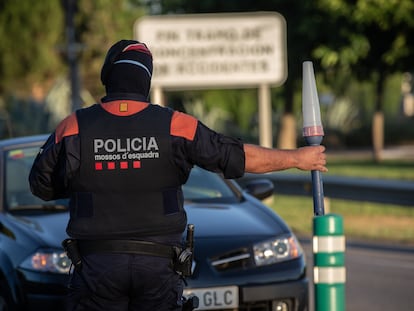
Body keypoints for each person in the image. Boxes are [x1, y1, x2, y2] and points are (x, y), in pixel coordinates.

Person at [29, 39, 327, 311]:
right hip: (159, 267)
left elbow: (40, 184)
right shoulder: (176, 125)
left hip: (96, 267)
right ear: (146, 80)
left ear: (109, 76)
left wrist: (88, 180)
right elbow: (238, 157)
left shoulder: (74, 126)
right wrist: (298, 158)